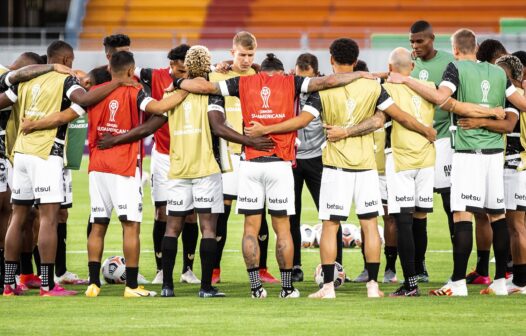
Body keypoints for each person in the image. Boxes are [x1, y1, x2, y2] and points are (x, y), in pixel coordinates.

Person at [174, 48, 377, 298]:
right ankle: (286, 287)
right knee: (282, 228)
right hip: (280, 163)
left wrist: (177, 81)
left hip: (250, 162)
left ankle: (256, 287)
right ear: (281, 72)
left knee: (250, 228)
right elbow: (330, 80)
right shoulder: (291, 81)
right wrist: (364, 75)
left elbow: (206, 88)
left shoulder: (243, 81)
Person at [243, 40, 436, 299]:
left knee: (330, 226)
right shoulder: (372, 86)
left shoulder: (325, 88)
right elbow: (398, 115)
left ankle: (328, 287)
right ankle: (372, 286)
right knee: (369, 225)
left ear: (331, 59)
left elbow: (301, 121)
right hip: (366, 166)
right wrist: (425, 130)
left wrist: (264, 129)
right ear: (355, 61)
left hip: (335, 167)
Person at [388, 28, 524, 296]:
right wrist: (492, 112)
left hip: (467, 150)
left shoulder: (456, 68)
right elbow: (521, 103)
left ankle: (458, 282)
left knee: (462, 213)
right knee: (497, 214)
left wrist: (406, 81)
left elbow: (440, 97)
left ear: (456, 48)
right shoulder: (498, 72)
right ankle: (498, 282)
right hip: (496, 154)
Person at [0, 40, 126, 296]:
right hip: (47, 153)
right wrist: (117, 82)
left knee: (18, 216)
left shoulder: (26, 80)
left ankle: (8, 284)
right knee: (48, 218)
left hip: (20, 154)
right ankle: (47, 284)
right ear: (67, 60)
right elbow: (86, 99)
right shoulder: (66, 81)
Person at [210, 32, 279, 284]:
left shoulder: (259, 77)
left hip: (253, 153)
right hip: (228, 155)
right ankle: (215, 269)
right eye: (242, 55)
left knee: (258, 213)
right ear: (232, 53)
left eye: (251, 55)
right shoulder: (217, 76)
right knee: (222, 214)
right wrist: (218, 64)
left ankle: (261, 269)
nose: (247, 59)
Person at [456, 55, 526, 294]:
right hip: (512, 164)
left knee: (514, 225)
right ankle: (512, 278)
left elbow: (507, 125)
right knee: (507, 222)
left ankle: (519, 281)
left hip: (516, 166)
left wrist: (478, 122)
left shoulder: (515, 98)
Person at [134, 44, 201, 285]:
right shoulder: (153, 75)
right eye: (181, 70)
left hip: (190, 154)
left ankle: (188, 270)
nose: (185, 74)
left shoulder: (199, 78)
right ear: (171, 65)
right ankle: (162, 269)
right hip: (162, 156)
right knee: (162, 212)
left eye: (188, 70)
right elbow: (123, 68)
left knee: (191, 214)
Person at [383, 47, 437, 296]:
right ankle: (419, 272)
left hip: (400, 158)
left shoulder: (386, 88)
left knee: (402, 221)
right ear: (412, 67)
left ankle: (410, 284)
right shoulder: (430, 87)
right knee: (420, 220)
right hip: (426, 158)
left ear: (390, 67)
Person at [409, 20, 455, 281]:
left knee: (451, 203)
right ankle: (420, 265)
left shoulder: (449, 62)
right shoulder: (409, 65)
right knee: (418, 207)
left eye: (420, 41)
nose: (415, 46)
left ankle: (458, 268)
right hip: (417, 140)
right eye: (412, 42)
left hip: (445, 140)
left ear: (432, 38)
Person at [288, 53, 324, 282]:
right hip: (290, 159)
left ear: (316, 75)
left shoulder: (324, 92)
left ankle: (333, 266)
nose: (301, 84)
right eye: (298, 78)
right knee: (291, 215)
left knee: (330, 214)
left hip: (318, 158)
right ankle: (294, 266)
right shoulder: (288, 86)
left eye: (306, 79)